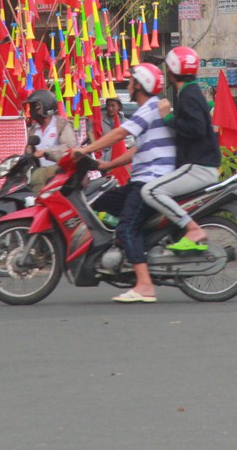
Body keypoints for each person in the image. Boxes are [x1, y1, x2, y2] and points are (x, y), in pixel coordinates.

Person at [73, 63, 176, 303]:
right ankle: (126, 258)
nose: (128, 85)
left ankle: (145, 285)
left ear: (139, 85)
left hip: (150, 182)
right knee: (102, 202)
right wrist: (106, 166)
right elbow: (138, 149)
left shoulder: (148, 108)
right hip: (141, 180)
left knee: (127, 227)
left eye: (130, 82)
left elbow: (120, 134)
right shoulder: (149, 109)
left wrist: (85, 150)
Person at [139, 46, 218, 255]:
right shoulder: (190, 92)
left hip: (198, 166)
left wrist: (168, 118)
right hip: (199, 164)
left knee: (150, 191)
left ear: (172, 71)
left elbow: (196, 128)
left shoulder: (189, 95)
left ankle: (192, 230)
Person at [24, 89, 78, 192]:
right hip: (41, 173)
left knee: (38, 176)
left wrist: (46, 152)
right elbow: (29, 152)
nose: (32, 110)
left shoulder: (61, 124)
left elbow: (69, 148)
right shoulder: (33, 129)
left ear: (46, 107)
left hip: (61, 172)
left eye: (35, 107)